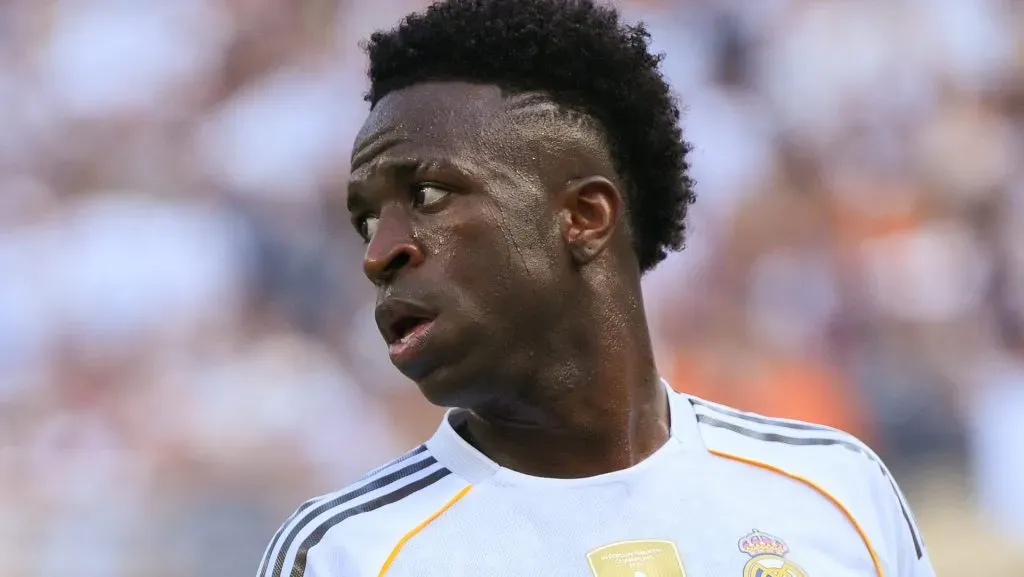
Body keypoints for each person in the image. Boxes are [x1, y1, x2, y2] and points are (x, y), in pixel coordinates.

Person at [257, 0, 936, 575]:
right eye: (365, 220)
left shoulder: (836, 492)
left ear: (583, 216)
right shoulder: (346, 552)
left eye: (429, 194)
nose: (379, 253)